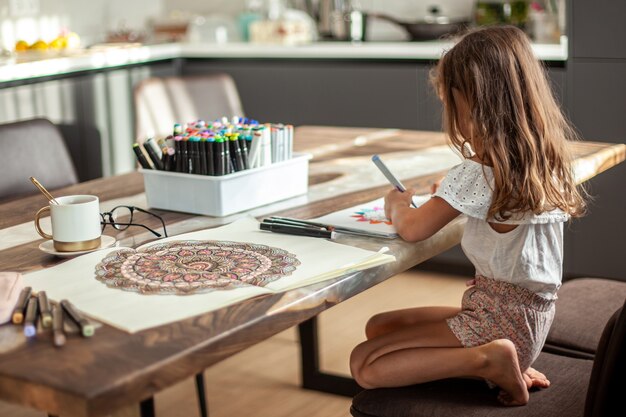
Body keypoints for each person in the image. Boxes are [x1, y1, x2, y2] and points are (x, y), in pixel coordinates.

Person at [349, 25, 586, 407]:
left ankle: (489, 361)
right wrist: (451, 193)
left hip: (496, 322)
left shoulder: (475, 174)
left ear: (472, 105)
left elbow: (412, 229)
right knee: (380, 326)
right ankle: (503, 358)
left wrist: (397, 204)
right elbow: (494, 209)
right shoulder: (544, 164)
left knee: (364, 364)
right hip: (528, 321)